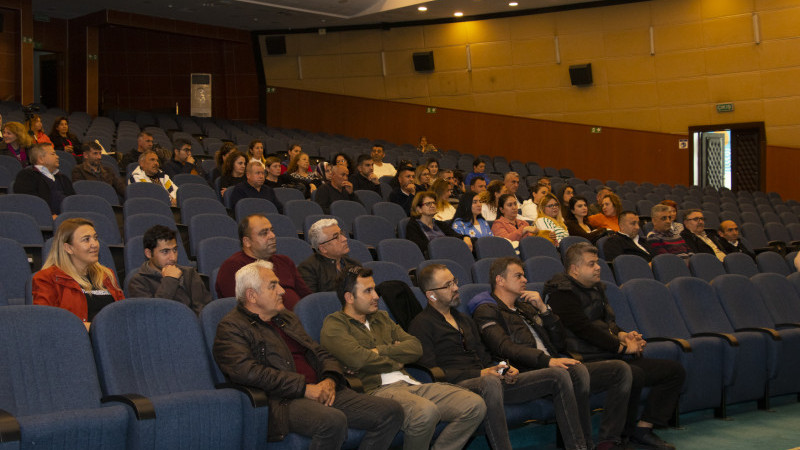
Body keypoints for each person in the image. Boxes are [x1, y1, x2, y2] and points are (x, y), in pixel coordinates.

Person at [212, 261, 404, 447]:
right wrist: (303, 388)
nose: (282, 290)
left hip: (322, 389)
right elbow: (248, 372)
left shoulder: (286, 318)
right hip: (283, 400)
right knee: (332, 421)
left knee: (391, 411)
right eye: (273, 286)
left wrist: (330, 379)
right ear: (252, 295)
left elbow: (319, 352)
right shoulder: (231, 327)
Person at [409, 264, 591, 450]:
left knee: (558, 375)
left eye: (454, 281)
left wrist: (503, 369)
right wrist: (480, 374)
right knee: (489, 382)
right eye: (448, 285)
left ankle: (578, 447)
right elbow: (432, 375)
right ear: (431, 295)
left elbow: (485, 357)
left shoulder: (463, 319)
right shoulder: (421, 325)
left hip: (489, 382)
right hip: (458, 388)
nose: (456, 287)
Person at [470, 258, 632, 450]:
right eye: (518, 276)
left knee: (619, 370)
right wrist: (547, 361)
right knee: (571, 373)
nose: (525, 280)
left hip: (552, 364)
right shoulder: (487, 310)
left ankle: (608, 441)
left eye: (524, 275)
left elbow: (560, 343)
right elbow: (504, 347)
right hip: (525, 371)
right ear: (500, 280)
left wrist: (544, 310)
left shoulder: (526, 307)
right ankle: (581, 446)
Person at [320, 266, 486, 450]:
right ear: (349, 297)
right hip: (376, 391)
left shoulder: (381, 317)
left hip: (409, 383)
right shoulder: (335, 325)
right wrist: (397, 358)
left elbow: (415, 347)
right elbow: (358, 359)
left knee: (474, 405)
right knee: (425, 412)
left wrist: (377, 351)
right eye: (368, 291)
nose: (376, 296)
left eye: (374, 289)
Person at [546, 243, 684, 450]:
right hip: (584, 360)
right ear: (574, 269)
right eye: (591, 264)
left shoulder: (596, 288)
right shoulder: (560, 293)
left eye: (597, 263)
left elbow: (607, 323)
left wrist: (624, 335)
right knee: (633, 373)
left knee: (673, 371)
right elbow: (584, 329)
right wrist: (622, 348)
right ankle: (612, 440)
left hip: (607, 354)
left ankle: (643, 429)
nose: (598, 268)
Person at [32, 218, 124, 327]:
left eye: (95, 238)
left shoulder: (106, 275)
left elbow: (123, 312)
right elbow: (46, 321)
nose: (94, 244)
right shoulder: (46, 278)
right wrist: (94, 328)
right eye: (86, 239)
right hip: (76, 337)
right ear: (68, 248)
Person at [215, 214, 312, 307]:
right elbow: (243, 308)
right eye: (264, 233)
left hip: (298, 316)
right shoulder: (233, 267)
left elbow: (306, 297)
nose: (272, 236)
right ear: (247, 242)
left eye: (272, 231)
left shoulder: (285, 261)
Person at [126, 225, 211, 314]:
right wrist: (170, 280)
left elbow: (204, 310)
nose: (173, 258)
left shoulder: (189, 273)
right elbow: (153, 314)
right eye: (165, 252)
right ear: (149, 253)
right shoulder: (138, 282)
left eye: (175, 250)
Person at [298, 218, 360, 293]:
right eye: (336, 237)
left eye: (341, 233)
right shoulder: (308, 269)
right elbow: (313, 299)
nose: (344, 239)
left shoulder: (354, 264)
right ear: (323, 248)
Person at [14, 143, 75, 217]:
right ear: (41, 159)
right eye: (53, 154)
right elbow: (29, 202)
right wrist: (50, 215)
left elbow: (73, 201)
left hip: (68, 218)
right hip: (43, 218)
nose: (57, 157)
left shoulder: (63, 178)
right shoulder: (27, 176)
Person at [407, 191, 473, 256]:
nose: (433, 206)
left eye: (434, 203)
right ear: (419, 209)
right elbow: (421, 249)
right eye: (428, 204)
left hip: (450, 254)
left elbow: (456, 236)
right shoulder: (413, 226)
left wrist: (466, 237)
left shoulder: (440, 224)